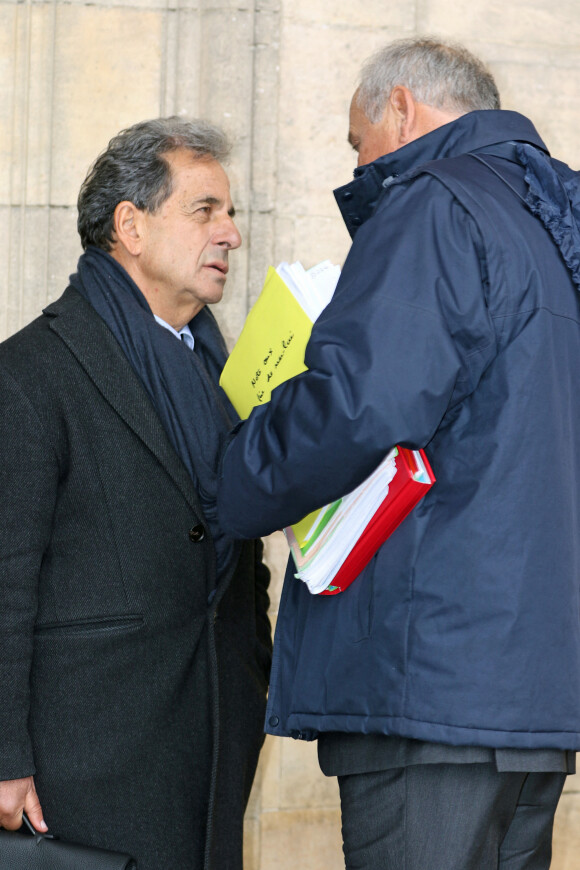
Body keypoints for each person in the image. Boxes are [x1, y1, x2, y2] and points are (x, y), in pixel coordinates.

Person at [217, 38, 580, 869]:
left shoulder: (436, 206)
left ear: (403, 107)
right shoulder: (551, 222)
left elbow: (361, 404)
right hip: (529, 691)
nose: (358, 162)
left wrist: (238, 478)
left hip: (427, 681)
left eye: (356, 141)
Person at [0, 117, 272, 870]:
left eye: (231, 213)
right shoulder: (29, 376)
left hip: (213, 749)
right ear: (131, 226)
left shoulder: (226, 375)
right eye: (205, 209)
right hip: (82, 771)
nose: (230, 235)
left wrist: (254, 672)